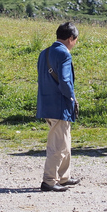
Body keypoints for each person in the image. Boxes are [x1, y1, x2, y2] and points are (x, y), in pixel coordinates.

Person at [36, 22, 81, 192]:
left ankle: (63, 177)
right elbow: (65, 80)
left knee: (65, 141)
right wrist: (71, 98)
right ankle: (49, 180)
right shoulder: (64, 55)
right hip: (60, 104)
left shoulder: (44, 53)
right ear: (70, 38)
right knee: (58, 145)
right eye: (75, 40)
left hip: (46, 102)